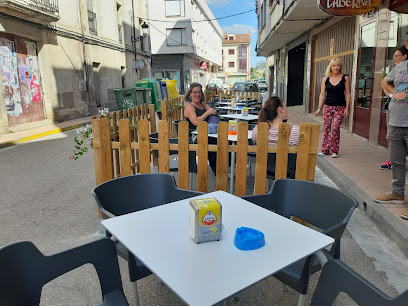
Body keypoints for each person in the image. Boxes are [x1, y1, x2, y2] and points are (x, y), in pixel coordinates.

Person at [375, 37, 408, 220]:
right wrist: (394, 93)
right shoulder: (400, 67)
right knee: (396, 161)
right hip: (395, 121)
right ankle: (397, 193)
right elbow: (385, 82)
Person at [314, 58, 351, 158]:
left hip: (340, 107)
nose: (336, 67)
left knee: (335, 128)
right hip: (328, 106)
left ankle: (334, 150)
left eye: (338, 65)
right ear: (330, 67)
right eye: (334, 65)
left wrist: (347, 108)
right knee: (326, 127)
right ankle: (325, 149)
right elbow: (322, 95)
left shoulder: (345, 78)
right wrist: (319, 108)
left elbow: (348, 93)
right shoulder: (325, 79)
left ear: (340, 66)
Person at [379, 46, 408, 170]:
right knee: (392, 138)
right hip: (395, 109)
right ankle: (391, 160)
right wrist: (392, 94)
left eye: (397, 56)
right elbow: (384, 82)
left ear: (405, 56)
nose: (394, 58)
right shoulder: (397, 69)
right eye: (394, 56)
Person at [184, 82, 219, 173]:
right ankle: (217, 169)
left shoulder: (202, 104)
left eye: (199, 92)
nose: (197, 94)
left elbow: (212, 111)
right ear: (190, 94)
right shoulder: (189, 107)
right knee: (212, 143)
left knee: (223, 140)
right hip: (194, 136)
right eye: (195, 92)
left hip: (206, 133)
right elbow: (195, 122)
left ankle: (222, 166)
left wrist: (213, 111)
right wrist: (207, 113)